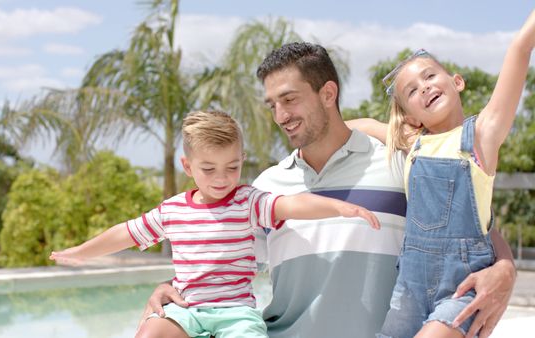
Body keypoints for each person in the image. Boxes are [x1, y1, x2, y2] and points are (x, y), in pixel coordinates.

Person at [140, 42, 517, 338]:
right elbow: (217, 255)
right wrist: (170, 288)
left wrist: (504, 267)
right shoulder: (266, 188)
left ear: (327, 93)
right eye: (272, 104)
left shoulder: (396, 161)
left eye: (289, 99)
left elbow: (463, 219)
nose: (280, 116)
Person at [50, 109, 382, 338]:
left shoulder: (248, 201)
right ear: (188, 165)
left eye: (233, 167)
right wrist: (83, 251)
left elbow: (292, 204)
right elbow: (126, 231)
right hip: (186, 309)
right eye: (209, 169)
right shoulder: (172, 210)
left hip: (236, 313)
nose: (222, 179)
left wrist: (340, 207)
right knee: (150, 331)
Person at [344, 10, 535, 338]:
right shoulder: (413, 143)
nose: (424, 88)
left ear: (456, 81)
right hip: (408, 293)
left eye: (430, 76)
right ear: (411, 116)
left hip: (462, 290)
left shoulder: (481, 136)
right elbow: (355, 126)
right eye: (411, 92)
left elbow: (520, 48)